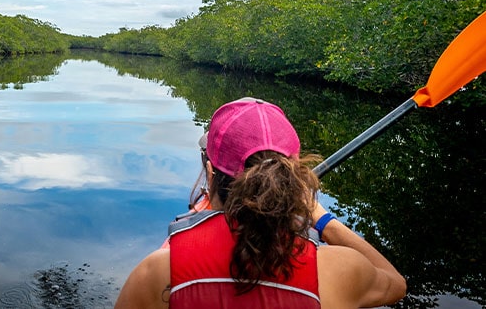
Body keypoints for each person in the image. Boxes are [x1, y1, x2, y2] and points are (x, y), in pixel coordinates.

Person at [114, 97, 406, 309]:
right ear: (291, 179)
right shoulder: (339, 271)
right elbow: (396, 283)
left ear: (211, 173)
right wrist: (320, 218)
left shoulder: (156, 274)